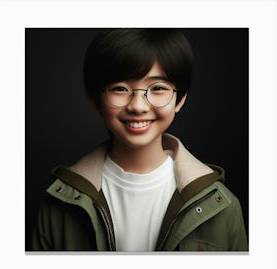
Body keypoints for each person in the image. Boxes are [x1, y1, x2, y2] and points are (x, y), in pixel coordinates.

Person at [31, 28, 248, 251]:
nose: (138, 106)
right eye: (120, 88)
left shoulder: (221, 205)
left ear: (180, 99)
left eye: (158, 88)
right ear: (96, 99)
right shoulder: (59, 203)